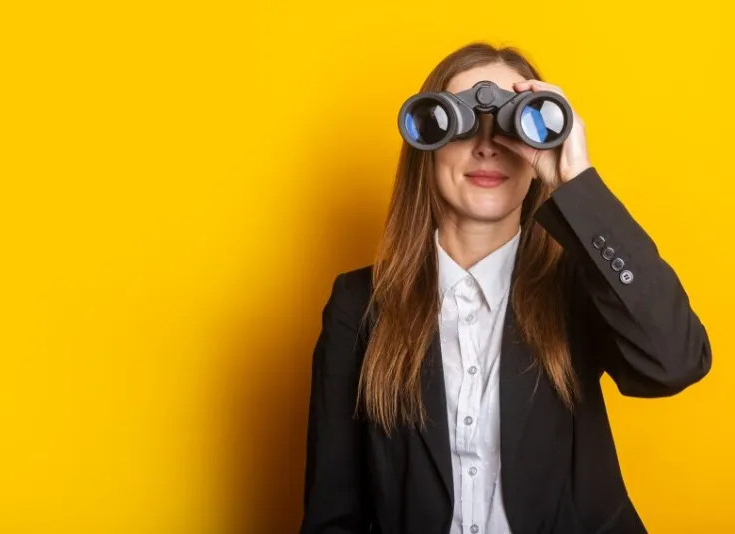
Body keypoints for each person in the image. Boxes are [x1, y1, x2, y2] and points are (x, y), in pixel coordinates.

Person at [299, 42, 712, 534]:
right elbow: (334, 513)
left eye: (513, 122)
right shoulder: (360, 305)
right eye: (465, 120)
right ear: (428, 137)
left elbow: (676, 363)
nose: (488, 145)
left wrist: (575, 182)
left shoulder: (576, 288)